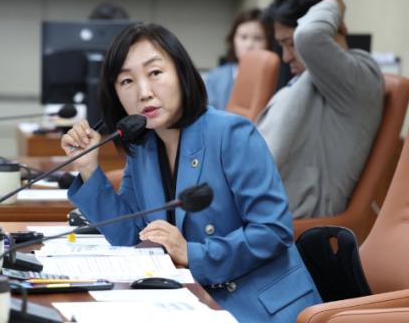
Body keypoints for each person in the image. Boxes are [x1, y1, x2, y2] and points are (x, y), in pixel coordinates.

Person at [61, 23, 321, 322]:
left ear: (181, 73)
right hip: (192, 301)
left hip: (261, 307)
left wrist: (191, 252)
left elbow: (273, 231)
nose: (144, 93)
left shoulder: (232, 134)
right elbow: (130, 234)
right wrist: (89, 169)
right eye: (127, 81)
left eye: (155, 73)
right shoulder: (143, 148)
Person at [257, 0, 385, 219]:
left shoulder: (358, 79)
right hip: (261, 206)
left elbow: (309, 35)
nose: (285, 57)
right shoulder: (312, 78)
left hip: (292, 220)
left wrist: (333, 3)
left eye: (290, 44)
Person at [203, 8, 272, 110]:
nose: (249, 45)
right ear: (233, 40)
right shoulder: (215, 77)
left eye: (258, 38)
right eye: (243, 37)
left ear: (269, 42)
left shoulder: (278, 77)